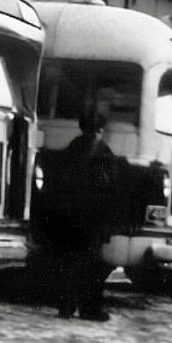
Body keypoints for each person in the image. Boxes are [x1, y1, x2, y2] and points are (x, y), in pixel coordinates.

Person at [47, 109, 116, 321]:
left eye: (97, 130)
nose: (95, 134)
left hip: (82, 220)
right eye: (93, 130)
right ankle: (81, 308)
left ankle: (76, 307)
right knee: (84, 266)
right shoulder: (98, 153)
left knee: (80, 265)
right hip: (81, 220)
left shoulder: (78, 151)